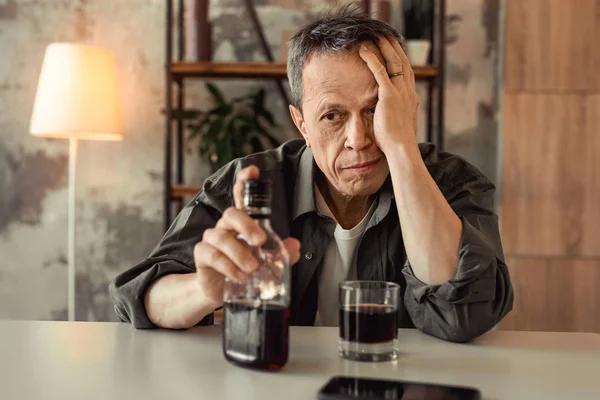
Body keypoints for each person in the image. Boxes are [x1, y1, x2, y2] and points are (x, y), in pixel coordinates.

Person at [109, 8, 513, 343]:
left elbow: (466, 313)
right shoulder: (251, 182)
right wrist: (203, 289)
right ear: (301, 124)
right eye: (333, 116)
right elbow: (138, 297)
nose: (359, 139)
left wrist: (402, 146)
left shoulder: (453, 183)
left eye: (375, 110)